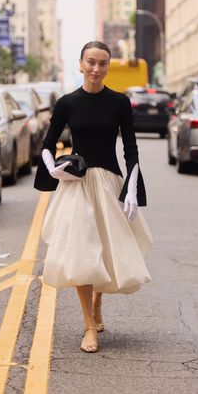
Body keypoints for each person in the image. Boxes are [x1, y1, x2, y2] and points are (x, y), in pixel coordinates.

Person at [34, 41, 152, 353]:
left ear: (107, 67)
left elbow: (130, 148)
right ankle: (89, 325)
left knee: (107, 250)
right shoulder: (67, 103)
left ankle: (98, 302)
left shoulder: (119, 103)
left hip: (110, 182)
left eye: (102, 63)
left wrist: (132, 189)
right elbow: (47, 144)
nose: (96, 69)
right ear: (81, 64)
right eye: (91, 62)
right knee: (81, 253)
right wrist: (54, 169)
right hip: (77, 186)